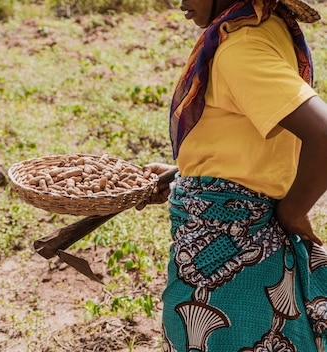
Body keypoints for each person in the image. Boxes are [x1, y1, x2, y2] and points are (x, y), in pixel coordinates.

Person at [136, 0, 327, 350]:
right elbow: (250, 131)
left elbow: (324, 135)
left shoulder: (240, 50)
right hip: (244, 245)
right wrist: (187, 174)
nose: (180, 2)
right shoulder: (267, 26)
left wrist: (292, 212)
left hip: (226, 257)